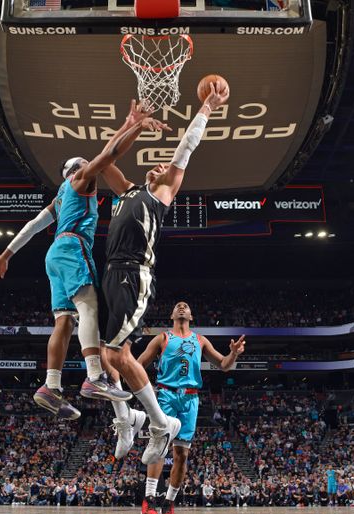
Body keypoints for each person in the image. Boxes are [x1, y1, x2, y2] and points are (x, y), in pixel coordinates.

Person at [0, 102, 168, 419]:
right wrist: (135, 127)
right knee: (89, 307)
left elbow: (32, 226)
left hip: (53, 255)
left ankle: (51, 386)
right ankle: (95, 376)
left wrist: (5, 254)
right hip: (72, 249)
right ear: (75, 170)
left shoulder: (60, 198)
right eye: (85, 163)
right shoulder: (82, 179)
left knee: (64, 321)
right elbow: (109, 156)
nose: (90, 164)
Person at [99, 83, 230, 466]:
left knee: (112, 352)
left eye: (163, 168)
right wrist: (130, 124)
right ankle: (134, 418)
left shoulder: (161, 197)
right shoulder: (125, 191)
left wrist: (205, 107)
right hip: (110, 272)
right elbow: (105, 160)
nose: (159, 168)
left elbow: (185, 149)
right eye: (154, 166)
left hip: (133, 273)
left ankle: (153, 422)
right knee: (110, 354)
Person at [135, 301, 245, 514]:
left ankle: (169, 503)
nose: (182, 307)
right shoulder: (163, 338)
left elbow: (224, 365)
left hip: (190, 398)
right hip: (166, 394)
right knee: (159, 447)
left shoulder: (200, 340)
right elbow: (138, 365)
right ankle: (148, 500)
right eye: (178, 306)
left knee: (182, 454)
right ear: (172, 315)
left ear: (191, 316)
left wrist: (233, 354)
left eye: (186, 306)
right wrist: (148, 393)